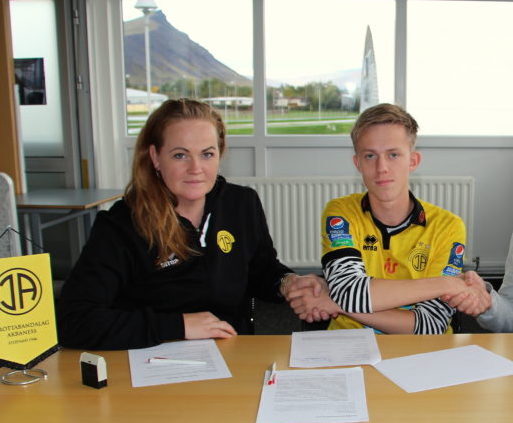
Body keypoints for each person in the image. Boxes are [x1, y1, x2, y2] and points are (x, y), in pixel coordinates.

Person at [58, 98, 324, 350]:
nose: (196, 168)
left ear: (220, 154)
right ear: (155, 157)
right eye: (180, 155)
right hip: (152, 357)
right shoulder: (122, 224)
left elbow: (260, 270)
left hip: (232, 352)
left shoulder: (241, 203)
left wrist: (287, 282)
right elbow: (75, 319)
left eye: (207, 154)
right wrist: (180, 326)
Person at [287, 103, 489, 333]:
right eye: (370, 155)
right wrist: (448, 284)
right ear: (357, 163)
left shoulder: (448, 226)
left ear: (413, 161)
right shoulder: (341, 212)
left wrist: (334, 302)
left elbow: (430, 325)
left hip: (420, 348)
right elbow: (348, 293)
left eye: (393, 155)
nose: (381, 167)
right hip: (347, 341)